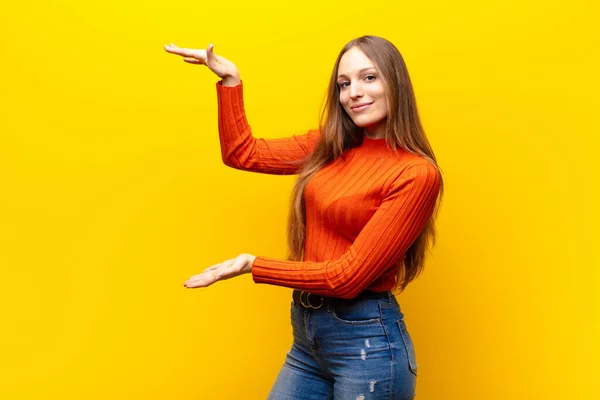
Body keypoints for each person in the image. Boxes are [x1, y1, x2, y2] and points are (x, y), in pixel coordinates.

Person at [164, 35, 444, 400]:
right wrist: (230, 80)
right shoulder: (329, 145)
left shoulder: (415, 174)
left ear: (396, 82)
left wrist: (253, 265)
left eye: (369, 78)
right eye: (344, 84)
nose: (353, 93)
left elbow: (347, 277)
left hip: (367, 346)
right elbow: (242, 153)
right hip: (307, 339)